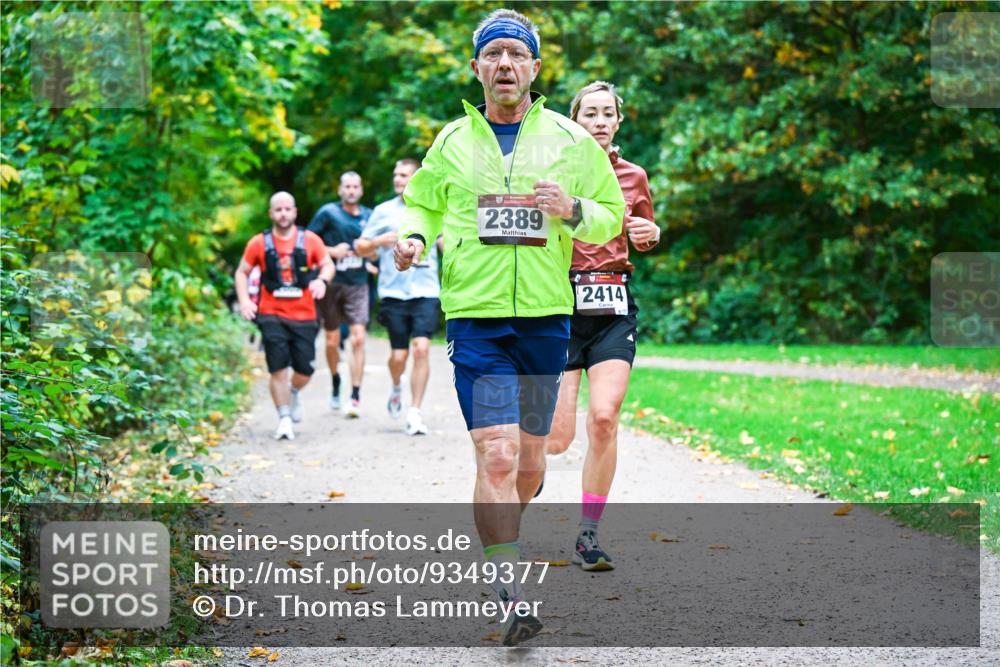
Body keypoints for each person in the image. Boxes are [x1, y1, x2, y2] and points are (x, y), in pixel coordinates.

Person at [394, 9, 625, 646]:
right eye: (492, 54)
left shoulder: (569, 141)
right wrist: (414, 238)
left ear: (534, 68)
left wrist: (572, 208)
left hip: (546, 321)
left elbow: (611, 215)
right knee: (494, 454)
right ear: (476, 68)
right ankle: (507, 594)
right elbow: (424, 203)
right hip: (477, 321)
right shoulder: (453, 141)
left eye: (515, 55)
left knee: (529, 460)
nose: (504, 65)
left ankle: (502, 536)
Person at [545, 81, 661, 571]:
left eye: (606, 113)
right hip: (561, 304)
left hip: (614, 304)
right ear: (574, 120)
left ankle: (587, 535)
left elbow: (645, 235)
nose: (598, 121)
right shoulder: (555, 172)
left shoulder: (634, 176)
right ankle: (507, 492)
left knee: (605, 418)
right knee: (556, 437)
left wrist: (651, 233)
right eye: (588, 113)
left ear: (618, 120)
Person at [235, 192, 334, 440]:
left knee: (305, 370)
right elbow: (241, 272)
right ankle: (284, 418)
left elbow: (328, 264)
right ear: (271, 213)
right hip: (271, 314)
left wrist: (322, 281)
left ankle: (293, 392)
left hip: (304, 315)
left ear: (295, 212)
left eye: (287, 209)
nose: (283, 214)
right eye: (278, 209)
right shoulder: (258, 243)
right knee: (278, 369)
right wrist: (246, 300)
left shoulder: (310, 240)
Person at [355, 158, 440, 436]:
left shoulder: (434, 207)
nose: (397, 180)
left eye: (403, 175)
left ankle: (414, 412)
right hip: (393, 293)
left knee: (422, 348)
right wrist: (379, 243)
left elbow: (450, 240)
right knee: (399, 356)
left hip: (425, 291)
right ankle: (395, 386)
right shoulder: (382, 212)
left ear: (417, 178)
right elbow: (360, 247)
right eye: (395, 175)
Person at [308, 172, 373, 418]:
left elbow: (375, 248)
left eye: (356, 186)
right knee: (332, 341)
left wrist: (370, 257)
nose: (351, 190)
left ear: (361, 190)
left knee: (358, 339)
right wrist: (332, 251)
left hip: (358, 284)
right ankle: (336, 380)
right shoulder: (328, 213)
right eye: (347, 186)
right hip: (332, 284)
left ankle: (355, 396)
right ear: (340, 190)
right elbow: (308, 243)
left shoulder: (370, 216)